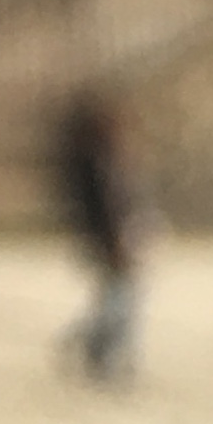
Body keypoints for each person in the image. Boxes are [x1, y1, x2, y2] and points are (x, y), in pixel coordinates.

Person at [58, 94, 149, 386]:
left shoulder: (93, 162)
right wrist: (117, 240)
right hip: (108, 240)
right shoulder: (96, 165)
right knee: (119, 301)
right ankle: (97, 349)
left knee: (115, 298)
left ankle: (97, 349)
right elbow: (107, 209)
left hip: (105, 239)